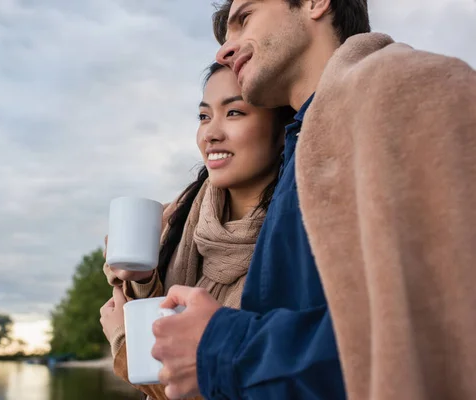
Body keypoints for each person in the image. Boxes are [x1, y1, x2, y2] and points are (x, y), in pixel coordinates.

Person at [153, 1, 476, 399]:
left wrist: (224, 347)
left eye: (245, 18)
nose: (223, 50)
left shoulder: (413, 86)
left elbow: (445, 333)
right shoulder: (298, 152)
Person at [99, 62, 295, 400]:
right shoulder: (185, 213)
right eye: (204, 117)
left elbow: (215, 384)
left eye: (234, 113)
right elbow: (160, 311)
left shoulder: (292, 237)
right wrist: (144, 278)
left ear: (281, 130)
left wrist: (123, 342)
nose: (210, 134)